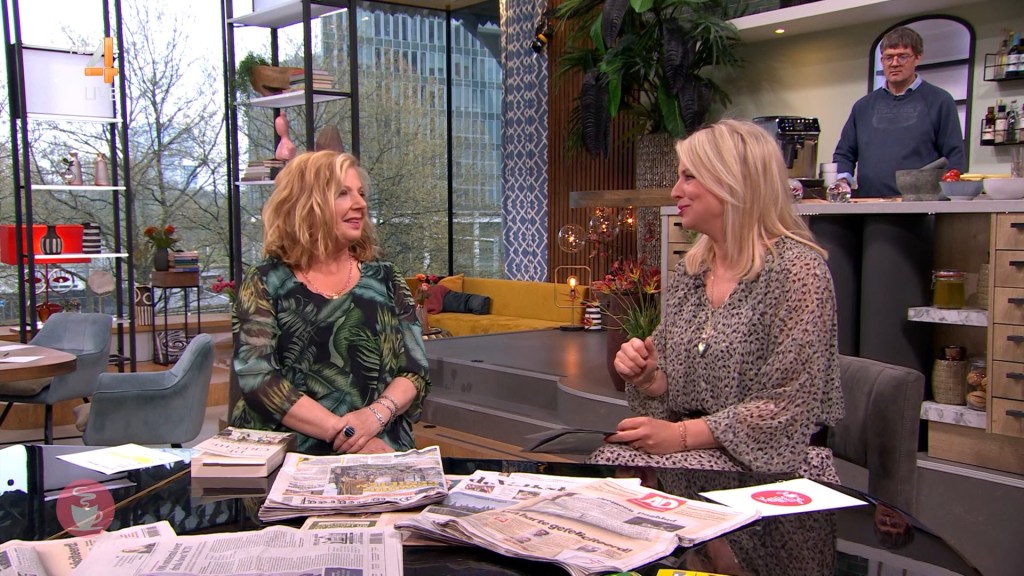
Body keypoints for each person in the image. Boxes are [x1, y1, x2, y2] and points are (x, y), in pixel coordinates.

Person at [588, 119, 845, 483]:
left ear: (733, 183)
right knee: (607, 467)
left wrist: (681, 436)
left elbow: (786, 405)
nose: (675, 191)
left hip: (773, 468)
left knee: (620, 471)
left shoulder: (799, 272)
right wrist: (648, 378)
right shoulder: (691, 271)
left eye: (689, 177)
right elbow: (672, 393)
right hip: (696, 454)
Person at [230, 151, 430, 455]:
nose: (360, 204)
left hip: (382, 447)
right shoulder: (265, 281)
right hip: (289, 454)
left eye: (361, 194)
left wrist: (373, 418)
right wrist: (350, 436)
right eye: (343, 193)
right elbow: (258, 378)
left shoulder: (386, 278)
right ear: (306, 203)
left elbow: (415, 370)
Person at [832, 26, 965, 198]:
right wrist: (842, 181)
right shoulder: (863, 107)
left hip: (918, 205)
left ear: (917, 57)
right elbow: (844, 153)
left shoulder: (940, 101)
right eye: (889, 57)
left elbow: (955, 157)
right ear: (882, 60)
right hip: (868, 202)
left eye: (903, 56)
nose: (894, 63)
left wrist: (945, 195)